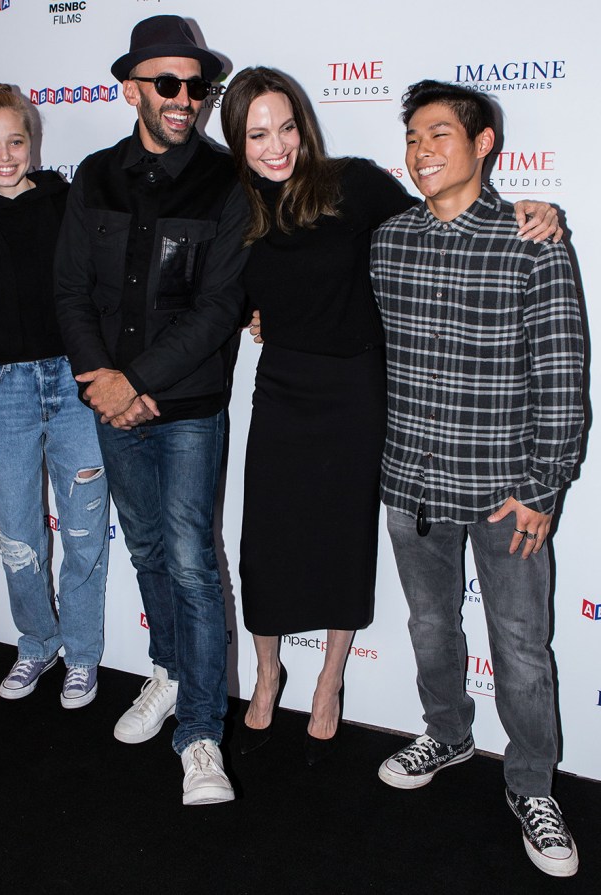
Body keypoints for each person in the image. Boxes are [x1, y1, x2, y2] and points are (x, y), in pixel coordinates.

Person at [219, 68, 561, 765]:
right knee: (270, 543)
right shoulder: (236, 210)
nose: (276, 144)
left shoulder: (356, 187)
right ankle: (272, 673)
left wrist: (535, 209)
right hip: (290, 391)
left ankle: (333, 682)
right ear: (238, 141)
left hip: (358, 396)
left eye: (287, 126)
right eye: (257, 133)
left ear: (305, 126)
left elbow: (443, 214)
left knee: (351, 544)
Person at [371, 80, 583, 878]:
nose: (422, 152)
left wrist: (545, 486)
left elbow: (564, 375)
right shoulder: (388, 238)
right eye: (414, 139)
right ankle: (449, 732)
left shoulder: (534, 239)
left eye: (439, 136)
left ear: (483, 142)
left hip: (505, 493)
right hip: (412, 482)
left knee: (523, 649)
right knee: (431, 629)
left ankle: (531, 784)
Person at [54, 15, 249, 805]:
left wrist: (133, 383)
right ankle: (167, 669)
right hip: (109, 397)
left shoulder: (229, 181)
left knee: (194, 563)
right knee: (144, 547)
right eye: (165, 83)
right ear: (131, 87)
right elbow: (70, 291)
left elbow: (220, 306)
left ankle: (200, 732)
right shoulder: (95, 174)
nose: (184, 98)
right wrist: (102, 378)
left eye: (196, 85)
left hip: (187, 403)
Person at [0, 84, 109, 709]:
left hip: (74, 386)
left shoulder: (69, 209)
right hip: (0, 395)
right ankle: (36, 643)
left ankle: (83, 655)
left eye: (16, 141)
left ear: (32, 140)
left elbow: (98, 300)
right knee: (17, 538)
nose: (4, 156)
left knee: (86, 532)